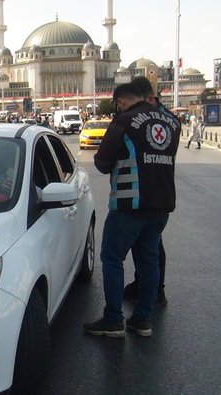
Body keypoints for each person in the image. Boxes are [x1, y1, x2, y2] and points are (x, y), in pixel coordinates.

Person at [83, 83, 179, 338]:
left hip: (130, 204)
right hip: (162, 205)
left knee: (112, 259)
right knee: (149, 262)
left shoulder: (124, 121)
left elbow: (103, 163)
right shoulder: (172, 123)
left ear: (121, 101)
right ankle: (143, 320)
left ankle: (114, 320)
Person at [123, 76, 177, 307]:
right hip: (154, 190)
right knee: (145, 243)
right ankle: (143, 282)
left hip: (151, 190)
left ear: (149, 98)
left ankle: (157, 289)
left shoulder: (162, 119)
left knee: (153, 245)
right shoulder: (165, 117)